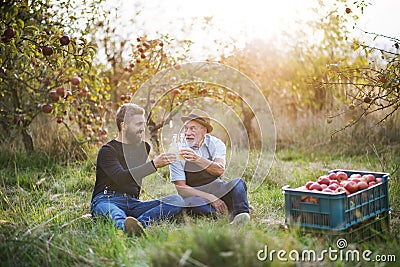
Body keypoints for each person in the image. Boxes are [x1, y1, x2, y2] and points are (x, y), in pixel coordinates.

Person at [90, 103, 184, 237]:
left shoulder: (144, 148)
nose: (142, 129)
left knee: (177, 200)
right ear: (123, 126)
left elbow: (134, 178)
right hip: (106, 199)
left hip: (133, 203)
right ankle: (125, 227)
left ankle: (137, 225)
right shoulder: (107, 151)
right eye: (138, 124)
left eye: (143, 124)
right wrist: (154, 164)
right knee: (115, 214)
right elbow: (120, 177)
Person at [169, 109, 250, 224]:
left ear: (204, 130)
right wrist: (210, 198)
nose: (187, 133)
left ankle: (241, 215)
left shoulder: (216, 144)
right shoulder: (177, 150)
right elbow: (181, 188)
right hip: (195, 194)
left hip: (216, 187)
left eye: (192, 129)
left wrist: (197, 159)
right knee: (197, 206)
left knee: (238, 182)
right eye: (186, 128)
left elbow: (219, 170)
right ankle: (227, 210)